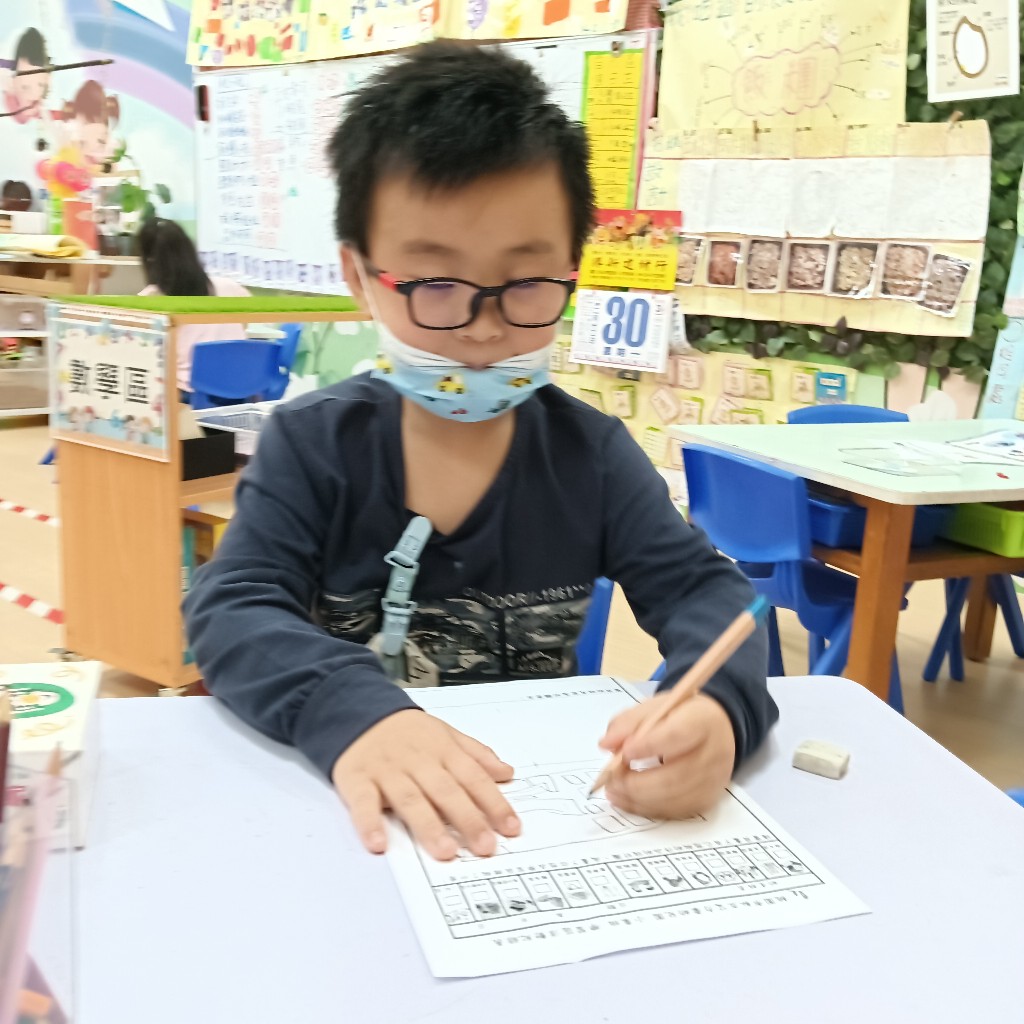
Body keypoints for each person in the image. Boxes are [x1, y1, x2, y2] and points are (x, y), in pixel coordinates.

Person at [184, 42, 777, 863]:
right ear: (359, 275)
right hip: (347, 824)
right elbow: (232, 607)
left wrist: (715, 709)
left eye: (527, 285)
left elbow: (706, 592)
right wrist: (349, 710)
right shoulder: (313, 445)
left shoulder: (591, 456)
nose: (484, 329)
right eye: (436, 285)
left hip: (526, 827)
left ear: (571, 270)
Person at [136, 218, 250, 400]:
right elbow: (245, 324)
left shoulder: (149, 299)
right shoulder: (230, 287)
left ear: (149, 259)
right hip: (240, 388)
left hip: (188, 393)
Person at [3, 28, 50, 124]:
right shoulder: (9, 96)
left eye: (40, 85)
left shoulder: (43, 108)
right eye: (25, 87)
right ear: (13, 83)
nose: (33, 94)